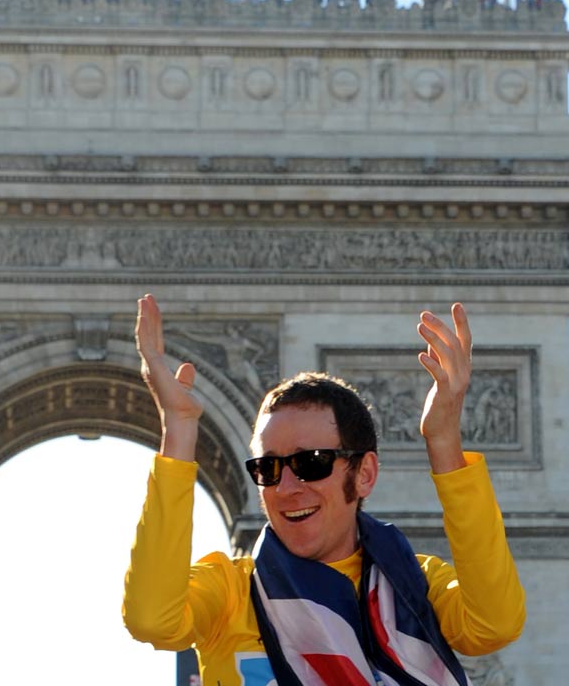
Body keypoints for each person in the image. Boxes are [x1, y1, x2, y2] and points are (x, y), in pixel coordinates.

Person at [123, 294, 525, 686]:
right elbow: (152, 618)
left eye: (310, 463)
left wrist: (444, 442)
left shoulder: (419, 584)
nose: (287, 487)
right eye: (268, 467)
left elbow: (495, 624)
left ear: (364, 473)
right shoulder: (229, 590)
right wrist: (178, 429)